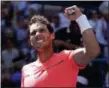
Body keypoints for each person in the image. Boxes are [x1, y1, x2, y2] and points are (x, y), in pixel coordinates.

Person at [21, 5, 100, 87]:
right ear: (30, 41)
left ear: (52, 36)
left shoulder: (68, 57)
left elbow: (93, 51)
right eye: (33, 33)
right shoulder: (26, 70)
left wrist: (80, 18)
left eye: (42, 30)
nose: (37, 34)